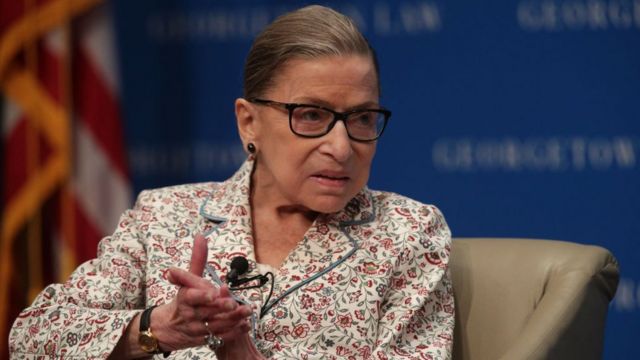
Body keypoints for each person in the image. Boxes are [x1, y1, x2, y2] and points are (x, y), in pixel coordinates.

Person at [9, 5, 454, 359]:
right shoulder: (164, 216)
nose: (341, 146)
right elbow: (32, 339)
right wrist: (156, 328)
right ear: (249, 122)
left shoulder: (407, 233)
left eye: (360, 118)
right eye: (312, 115)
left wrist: (243, 355)